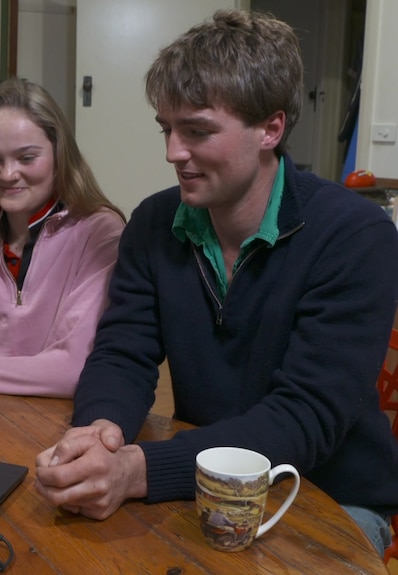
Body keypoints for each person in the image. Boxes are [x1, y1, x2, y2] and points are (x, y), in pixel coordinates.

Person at [35, 9, 398, 556]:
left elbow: (306, 417)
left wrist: (137, 471)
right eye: (167, 129)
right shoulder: (155, 224)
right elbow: (123, 352)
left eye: (198, 131)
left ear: (271, 129)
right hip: (199, 482)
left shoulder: (356, 235)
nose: (172, 152)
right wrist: (98, 433)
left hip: (329, 497)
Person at [0, 77, 126, 396]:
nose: (7, 174)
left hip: (63, 428)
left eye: (27, 158)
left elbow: (73, 370)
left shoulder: (101, 233)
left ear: (61, 154)